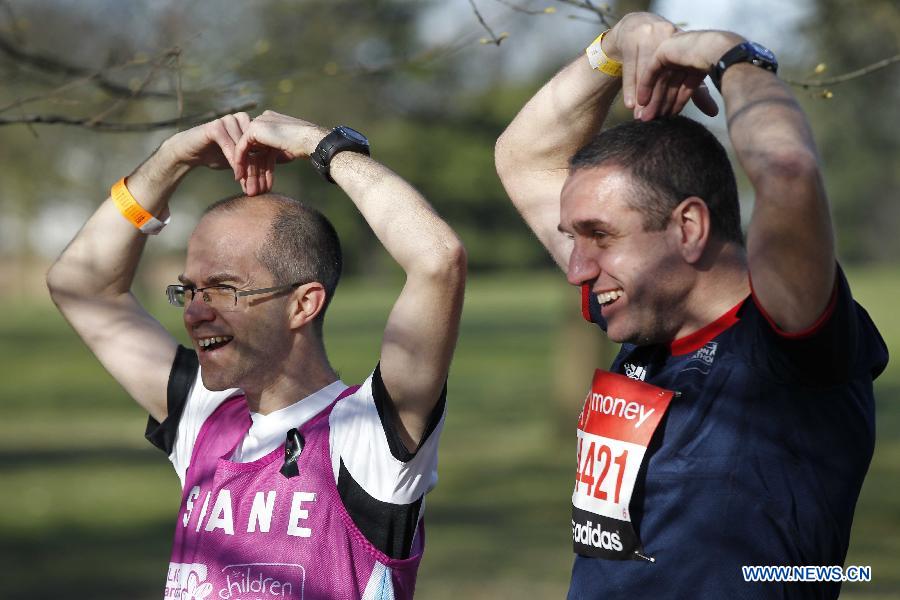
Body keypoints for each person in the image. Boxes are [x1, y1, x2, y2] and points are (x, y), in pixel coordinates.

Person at [495, 12, 887, 599]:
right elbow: (522, 158)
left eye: (599, 236)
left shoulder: (784, 338)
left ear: (689, 228)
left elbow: (787, 168)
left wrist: (733, 57)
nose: (577, 267)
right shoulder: (645, 316)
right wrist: (614, 46)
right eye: (573, 238)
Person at [47, 110, 466, 599]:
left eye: (224, 289)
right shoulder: (204, 418)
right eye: (190, 290)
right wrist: (170, 160)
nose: (196, 312)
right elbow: (80, 284)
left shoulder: (364, 437)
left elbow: (438, 260)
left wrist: (322, 146)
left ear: (303, 304)